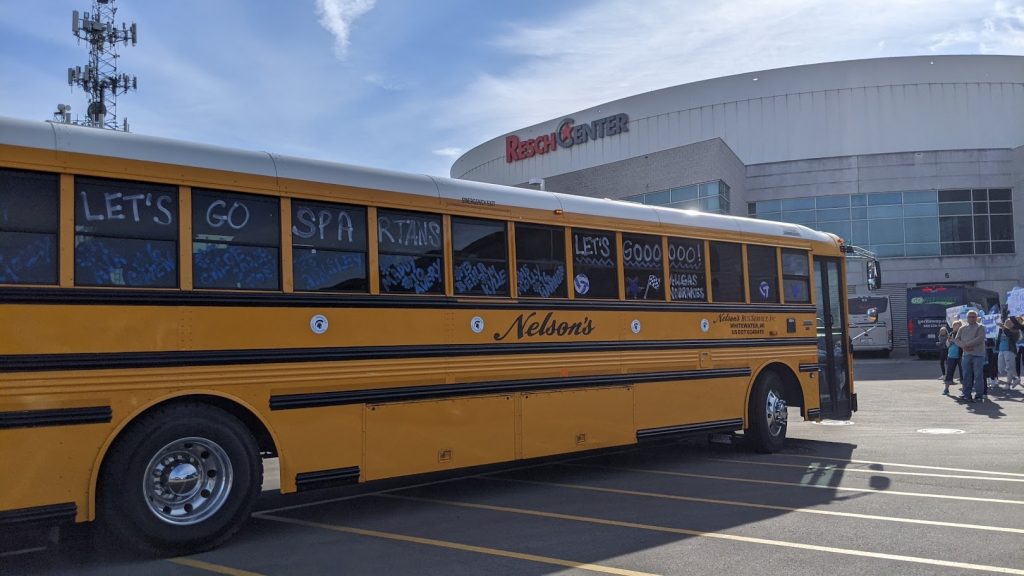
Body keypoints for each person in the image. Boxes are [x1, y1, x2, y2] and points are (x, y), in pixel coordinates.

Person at [953, 310, 986, 402]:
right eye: (970, 317)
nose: (971, 318)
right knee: (966, 375)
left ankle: (979, 395)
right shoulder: (962, 328)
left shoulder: (981, 327)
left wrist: (967, 344)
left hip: (978, 354)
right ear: (967, 318)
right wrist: (964, 346)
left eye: (973, 317)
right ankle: (966, 393)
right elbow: (956, 340)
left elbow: (980, 338)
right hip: (966, 354)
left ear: (976, 318)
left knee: (978, 376)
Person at [996, 317, 1019, 388]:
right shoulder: (1001, 330)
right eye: (1007, 322)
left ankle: (1008, 384)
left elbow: (1010, 335)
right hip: (1001, 350)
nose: (1008, 323)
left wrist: (1003, 327)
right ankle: (1015, 378)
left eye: (1010, 322)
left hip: (1009, 350)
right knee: (1000, 369)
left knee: (1009, 367)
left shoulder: (1015, 331)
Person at [943, 323, 962, 396]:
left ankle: (964, 390)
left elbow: (962, 344)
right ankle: (946, 389)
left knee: (963, 373)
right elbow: (947, 345)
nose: (956, 328)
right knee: (949, 372)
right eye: (955, 326)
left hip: (960, 356)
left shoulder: (963, 334)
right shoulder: (950, 334)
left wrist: (954, 341)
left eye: (958, 326)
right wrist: (949, 341)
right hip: (951, 356)